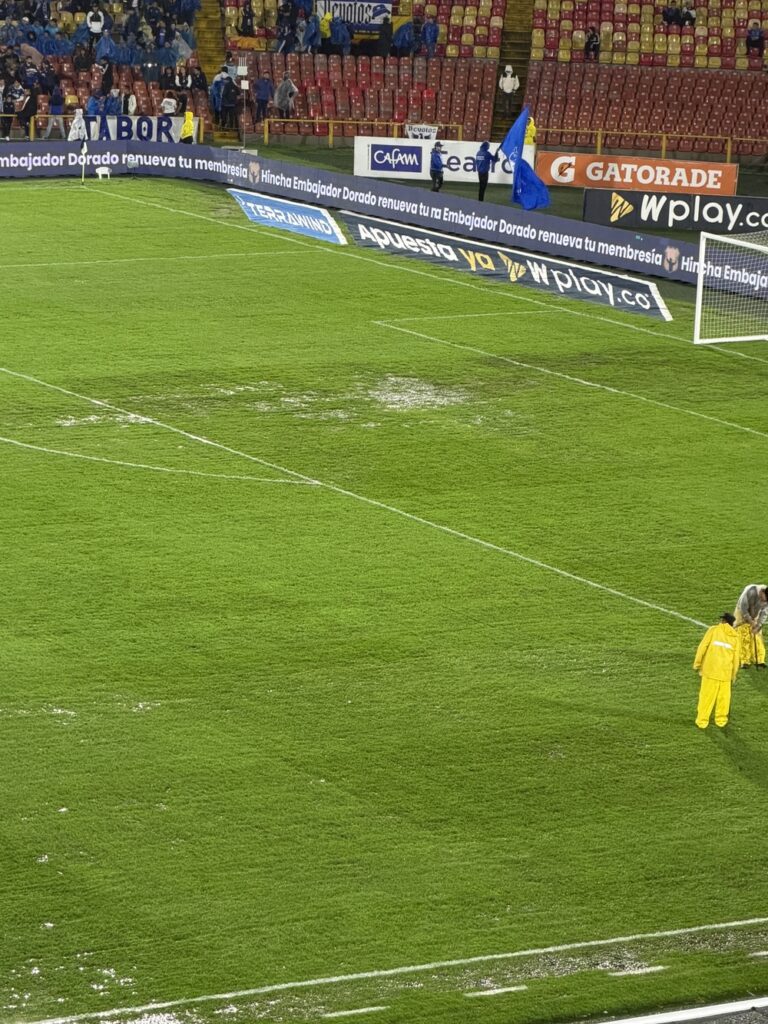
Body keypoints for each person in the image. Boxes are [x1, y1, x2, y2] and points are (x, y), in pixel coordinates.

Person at [694, 613, 740, 729]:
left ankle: (702, 721)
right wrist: (733, 675)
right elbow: (736, 658)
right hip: (725, 673)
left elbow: (702, 647)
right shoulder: (735, 637)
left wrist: (697, 663)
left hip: (710, 671)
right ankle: (721, 720)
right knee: (724, 699)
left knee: (706, 697)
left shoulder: (713, 630)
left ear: (724, 621)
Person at [734, 583, 768, 668]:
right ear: (762, 592)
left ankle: (759, 659)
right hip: (742, 612)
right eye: (763, 599)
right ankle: (744, 660)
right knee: (743, 635)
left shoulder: (766, 599)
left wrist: (758, 625)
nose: (764, 602)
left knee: (757, 635)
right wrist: (750, 621)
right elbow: (743, 608)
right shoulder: (750, 591)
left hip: (755, 614)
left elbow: (764, 613)